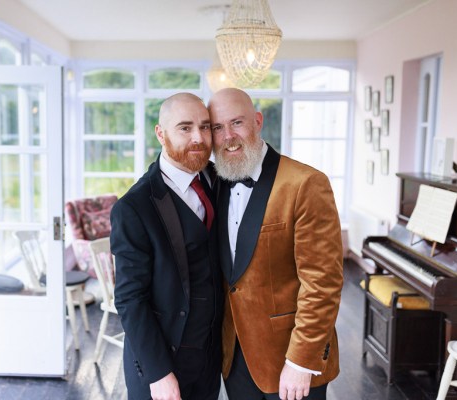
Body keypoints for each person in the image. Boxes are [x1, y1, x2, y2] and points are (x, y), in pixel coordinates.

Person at [207, 88, 343, 400]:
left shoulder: (306, 183)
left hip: (291, 359)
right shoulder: (216, 182)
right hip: (235, 356)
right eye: (217, 127)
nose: (228, 136)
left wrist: (300, 360)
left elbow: (323, 282)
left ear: (257, 121)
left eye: (237, 122)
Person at [110, 92, 223, 400]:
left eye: (204, 126)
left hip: (210, 357)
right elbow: (130, 298)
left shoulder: (216, 179)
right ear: (161, 133)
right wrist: (159, 373)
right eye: (185, 128)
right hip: (164, 362)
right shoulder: (134, 207)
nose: (198, 138)